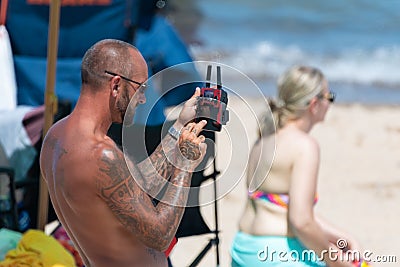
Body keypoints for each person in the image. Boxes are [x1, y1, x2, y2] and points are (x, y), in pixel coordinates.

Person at [39, 39, 208, 267]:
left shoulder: (55, 137)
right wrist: (186, 164)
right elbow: (160, 236)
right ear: (116, 85)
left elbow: (134, 187)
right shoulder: (100, 154)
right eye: (141, 87)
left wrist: (179, 127)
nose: (143, 99)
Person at [231, 66, 368, 267]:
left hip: (243, 248)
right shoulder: (305, 146)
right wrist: (336, 262)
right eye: (328, 97)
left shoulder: (262, 141)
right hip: (275, 255)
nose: (330, 103)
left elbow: (279, 206)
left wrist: (341, 237)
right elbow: (301, 221)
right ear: (314, 104)